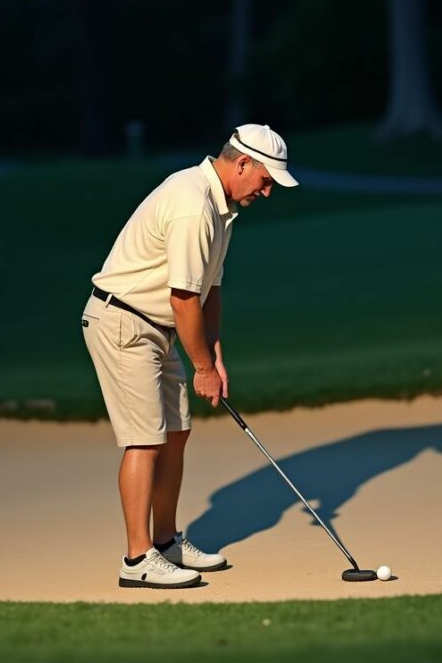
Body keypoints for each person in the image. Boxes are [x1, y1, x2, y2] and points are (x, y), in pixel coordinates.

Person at [81, 124, 298, 588]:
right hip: (124, 322)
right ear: (242, 163)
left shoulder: (223, 210)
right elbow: (183, 299)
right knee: (146, 440)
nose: (267, 192)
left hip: (160, 329)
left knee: (176, 433)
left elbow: (208, 291)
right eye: (265, 180)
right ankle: (137, 561)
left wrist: (214, 356)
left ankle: (163, 542)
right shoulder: (192, 206)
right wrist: (200, 366)